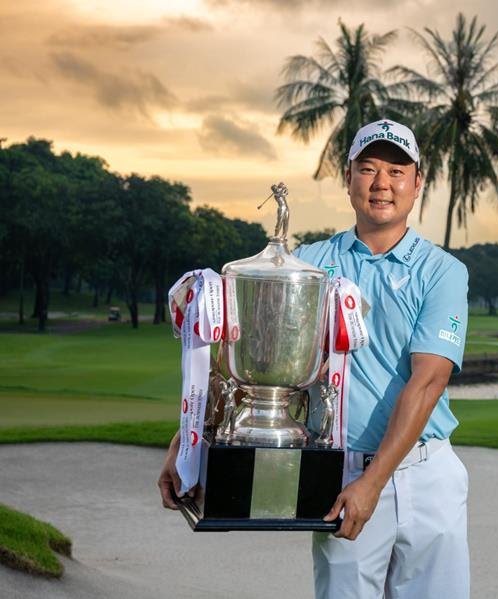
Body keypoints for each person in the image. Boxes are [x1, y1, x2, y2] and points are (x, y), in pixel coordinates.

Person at [158, 118, 471, 599]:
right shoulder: (310, 263)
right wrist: (189, 443)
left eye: (396, 171)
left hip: (427, 477)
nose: (382, 184)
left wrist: (374, 482)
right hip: (341, 474)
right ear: (348, 179)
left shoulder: (442, 272)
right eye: (367, 169)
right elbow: (257, 361)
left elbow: (427, 384)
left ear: (417, 183)